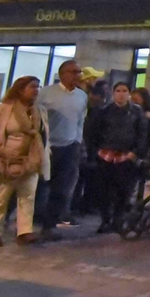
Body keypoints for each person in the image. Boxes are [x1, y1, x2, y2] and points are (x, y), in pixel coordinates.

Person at [0, 76, 50, 246]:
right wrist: (0, 150)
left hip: (31, 160)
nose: (36, 90)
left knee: (27, 197)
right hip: (6, 160)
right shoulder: (3, 110)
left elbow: (44, 135)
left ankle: (24, 231)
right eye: (32, 87)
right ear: (20, 89)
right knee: (0, 198)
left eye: (38, 87)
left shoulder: (40, 111)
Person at [86, 81, 148, 234]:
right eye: (118, 90)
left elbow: (142, 134)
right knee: (104, 191)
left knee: (124, 191)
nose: (121, 94)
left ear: (129, 93)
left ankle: (118, 219)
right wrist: (95, 152)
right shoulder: (103, 111)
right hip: (105, 156)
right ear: (113, 93)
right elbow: (92, 133)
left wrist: (136, 152)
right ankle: (105, 219)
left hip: (126, 157)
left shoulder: (137, 112)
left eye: (124, 90)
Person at [35, 60, 88, 238]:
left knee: (61, 188)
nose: (78, 75)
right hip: (48, 147)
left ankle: (49, 225)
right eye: (74, 72)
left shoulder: (81, 96)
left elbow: (81, 120)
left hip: (69, 147)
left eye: (79, 72)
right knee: (39, 186)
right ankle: (28, 221)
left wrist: (77, 142)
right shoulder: (45, 94)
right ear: (63, 73)